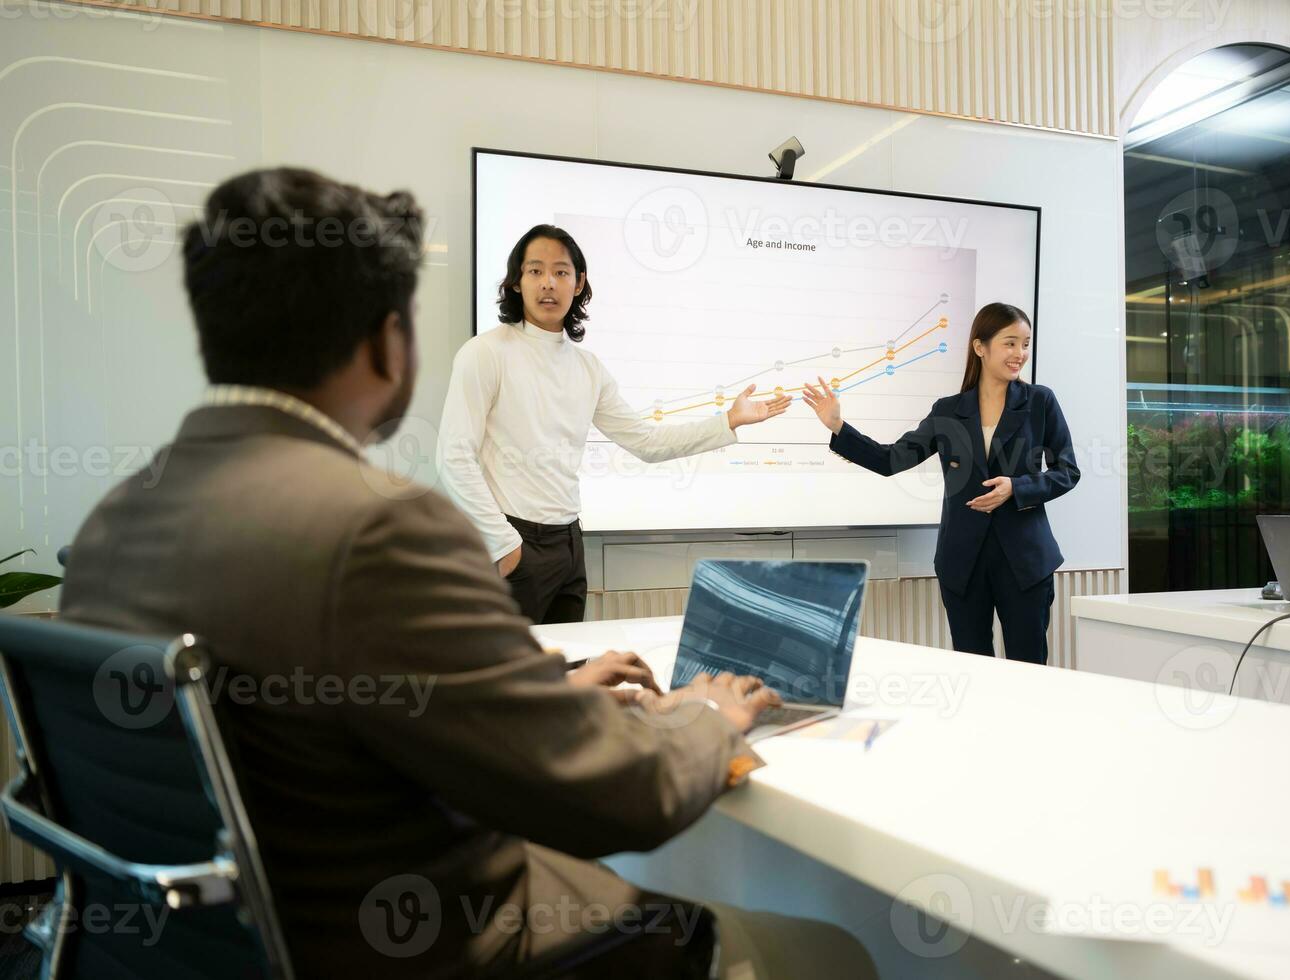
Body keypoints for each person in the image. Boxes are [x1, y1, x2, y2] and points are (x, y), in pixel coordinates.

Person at [60, 168, 874, 979]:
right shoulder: (378, 528)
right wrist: (705, 716)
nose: (549, 283)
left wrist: (541, 688)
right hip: (418, 938)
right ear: (387, 341)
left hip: (217, 944)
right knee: (822, 951)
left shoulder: (109, 528)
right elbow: (611, 798)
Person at [438, 225, 792, 625]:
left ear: (579, 282)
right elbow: (453, 456)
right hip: (514, 540)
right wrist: (504, 545)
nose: (548, 283)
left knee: (569, 676)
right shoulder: (485, 353)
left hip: (569, 542)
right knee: (508, 682)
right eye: (535, 271)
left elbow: (647, 442)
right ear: (516, 282)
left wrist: (727, 421)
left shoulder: (588, 368)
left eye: (561, 271)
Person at [802, 302, 1079, 664]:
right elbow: (891, 460)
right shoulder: (948, 410)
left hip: (1026, 562)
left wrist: (1017, 488)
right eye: (1010, 343)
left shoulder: (1040, 401)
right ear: (980, 347)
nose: (1020, 354)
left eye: (1025, 344)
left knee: (1028, 669)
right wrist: (839, 427)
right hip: (963, 563)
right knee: (971, 668)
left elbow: (1067, 471)